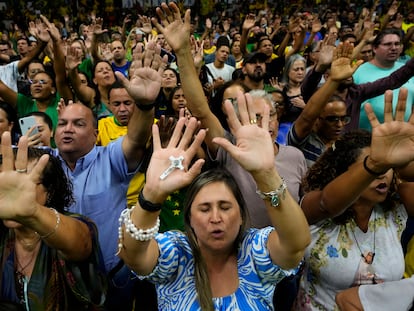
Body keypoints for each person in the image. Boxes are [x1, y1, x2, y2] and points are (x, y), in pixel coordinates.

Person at [117, 82, 310, 310]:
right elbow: (134, 256)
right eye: (205, 208)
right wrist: (151, 194)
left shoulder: (254, 251)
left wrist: (266, 174)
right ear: (188, 218)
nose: (215, 217)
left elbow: (296, 244)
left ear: (241, 215)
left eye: (225, 207)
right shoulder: (177, 252)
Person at [155, 2, 307, 229]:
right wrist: (183, 52)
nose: (264, 124)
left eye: (270, 115)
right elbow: (201, 111)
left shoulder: (295, 157)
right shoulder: (229, 149)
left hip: (286, 255)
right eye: (254, 116)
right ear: (237, 122)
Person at [52, 41, 166, 310]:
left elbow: (136, 139)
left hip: (114, 275)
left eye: (79, 124)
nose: (68, 129)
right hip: (59, 277)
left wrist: (146, 103)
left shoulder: (110, 159)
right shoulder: (43, 162)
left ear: (96, 133)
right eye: (63, 123)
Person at [293, 88, 414, 310]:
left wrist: (405, 157)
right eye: (368, 167)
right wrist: (375, 164)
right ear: (344, 174)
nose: (381, 173)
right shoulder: (316, 209)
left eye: (386, 167)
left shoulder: (395, 209)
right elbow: (326, 204)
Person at [0, 132, 105, 310]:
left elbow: (79, 243)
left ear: (49, 192)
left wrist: (32, 213)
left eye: (25, 181)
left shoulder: (75, 225)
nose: (10, 191)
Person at [287, 42, 363, 168]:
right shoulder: (303, 139)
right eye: (332, 119)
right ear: (317, 118)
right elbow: (307, 117)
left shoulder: (345, 145)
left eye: (343, 119)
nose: (339, 125)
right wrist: (334, 80)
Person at [353, 28, 414, 130]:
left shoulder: (407, 71)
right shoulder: (358, 72)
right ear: (375, 48)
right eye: (387, 44)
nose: (393, 48)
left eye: (397, 44)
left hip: (404, 137)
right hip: (367, 139)